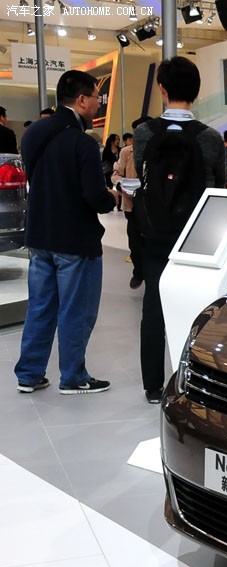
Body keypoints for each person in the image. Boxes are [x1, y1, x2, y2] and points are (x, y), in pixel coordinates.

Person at [15, 69, 116, 395]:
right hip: (75, 239)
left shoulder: (33, 133)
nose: (97, 106)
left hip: (39, 235)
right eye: (95, 99)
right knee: (76, 311)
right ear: (82, 99)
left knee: (40, 307)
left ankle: (29, 374)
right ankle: (73, 377)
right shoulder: (83, 143)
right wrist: (113, 197)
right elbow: (95, 197)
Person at [133, 57, 226, 404]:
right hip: (197, 237)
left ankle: (152, 385)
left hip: (155, 234)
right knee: (199, 309)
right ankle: (194, 380)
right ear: (196, 92)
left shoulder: (144, 133)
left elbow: (143, 179)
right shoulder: (210, 138)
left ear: (162, 89)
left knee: (153, 308)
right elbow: (219, 188)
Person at [111, 117, 148, 290]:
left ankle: (151, 275)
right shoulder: (127, 152)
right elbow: (116, 174)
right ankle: (138, 271)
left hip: (153, 205)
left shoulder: (159, 151)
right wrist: (120, 184)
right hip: (131, 204)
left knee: (151, 241)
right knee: (134, 241)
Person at [102, 133, 121, 209]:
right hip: (109, 171)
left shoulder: (120, 149)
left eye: (119, 139)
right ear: (112, 141)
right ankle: (110, 203)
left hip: (118, 171)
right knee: (109, 186)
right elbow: (104, 161)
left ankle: (119, 204)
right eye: (116, 139)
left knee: (119, 186)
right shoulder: (106, 150)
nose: (118, 141)